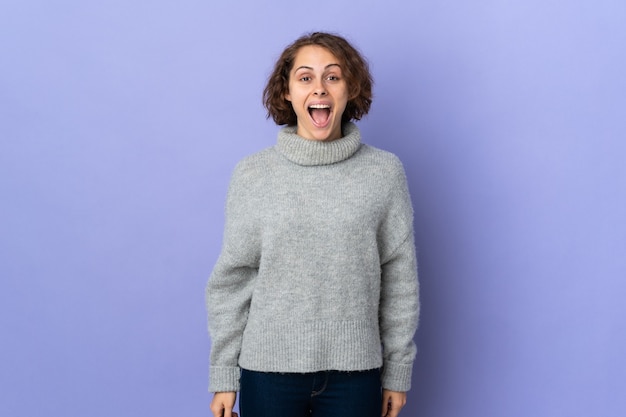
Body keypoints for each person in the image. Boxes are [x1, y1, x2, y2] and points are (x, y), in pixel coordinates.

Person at [206, 32, 419, 417]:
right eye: (305, 78)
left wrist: (397, 372)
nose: (319, 89)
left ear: (350, 89)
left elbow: (399, 278)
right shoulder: (253, 174)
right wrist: (223, 375)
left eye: (332, 77)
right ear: (286, 91)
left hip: (356, 374)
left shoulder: (384, 172)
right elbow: (232, 280)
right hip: (267, 372)